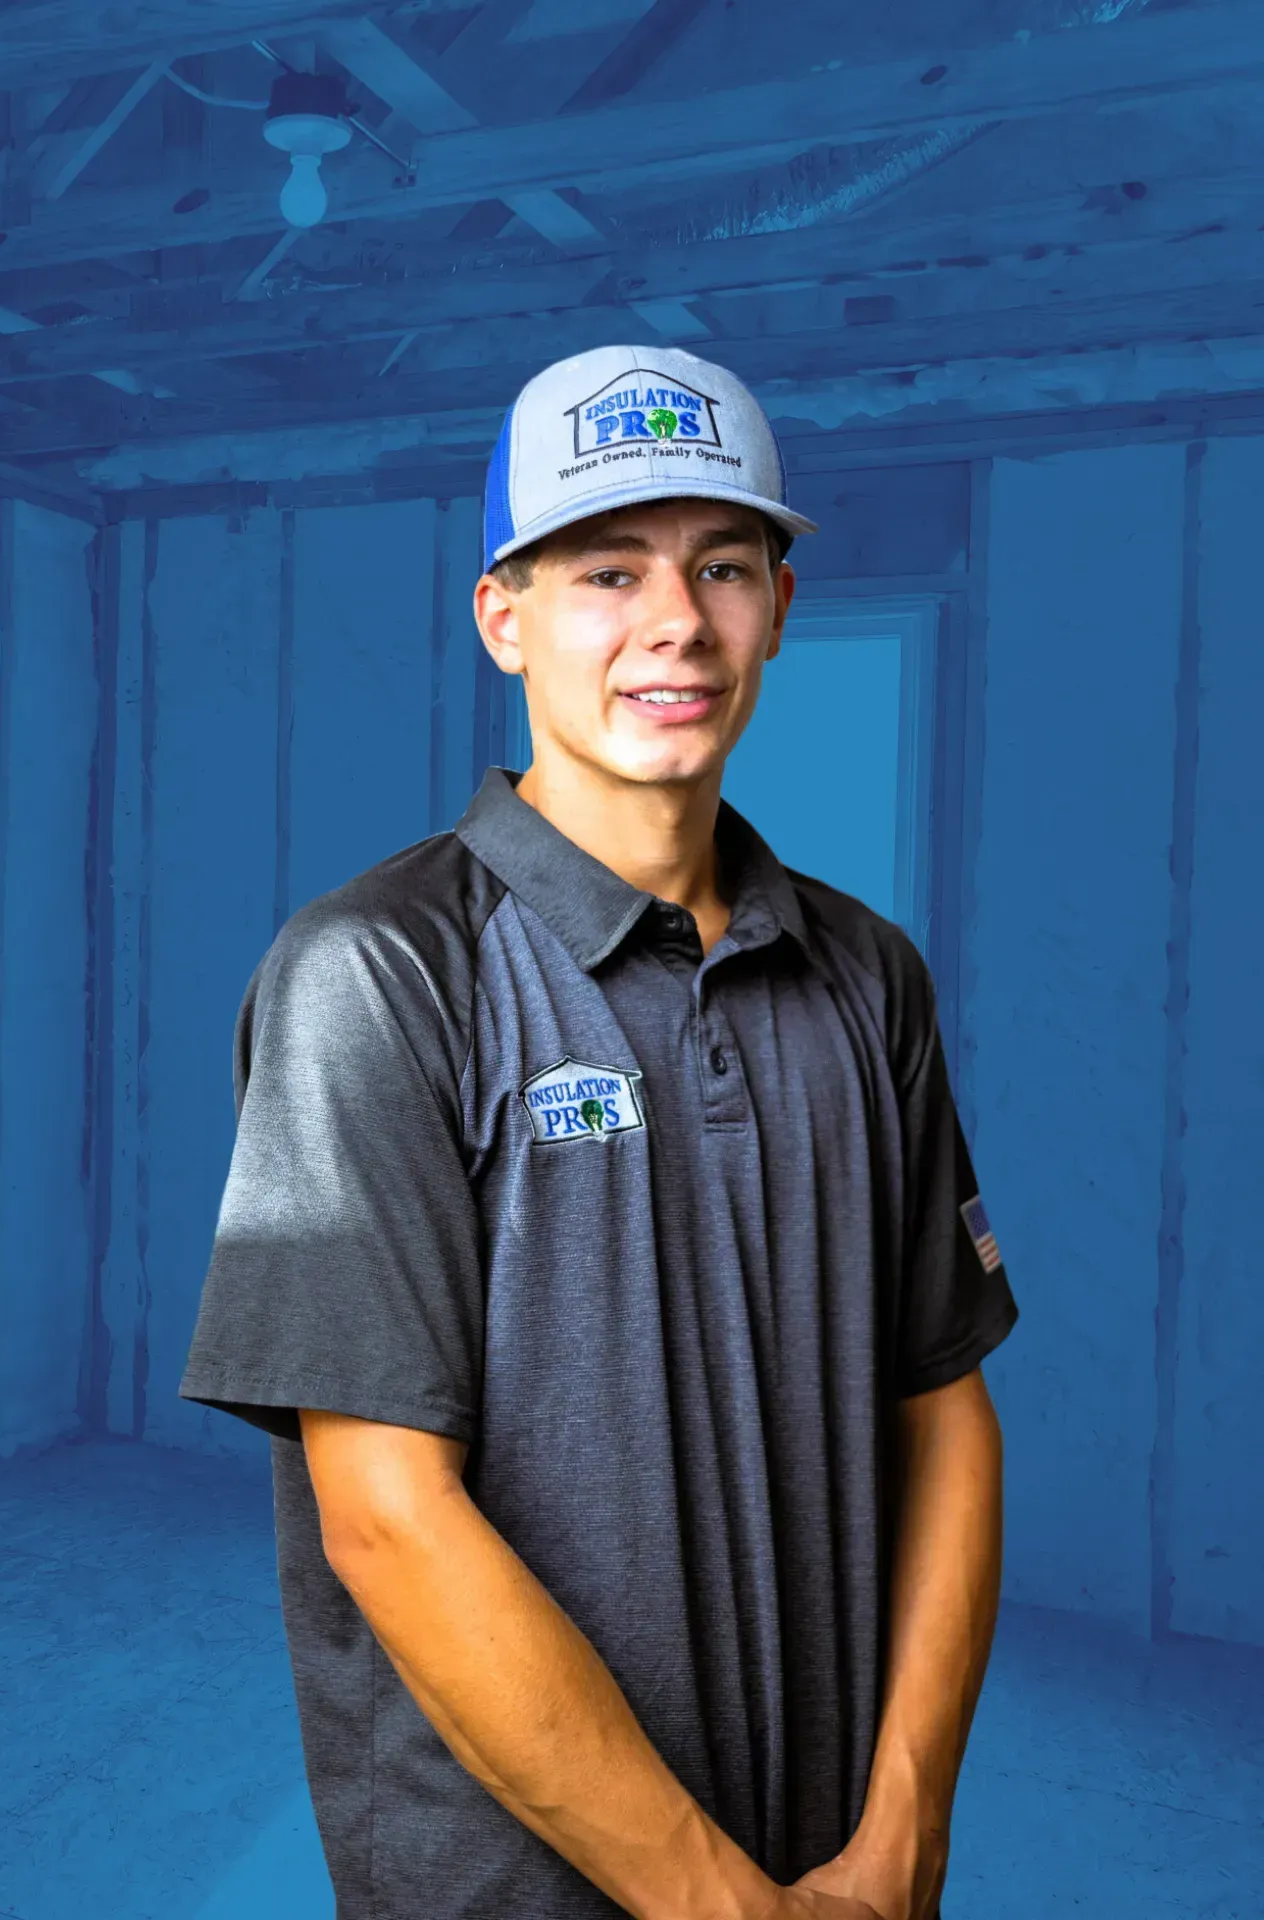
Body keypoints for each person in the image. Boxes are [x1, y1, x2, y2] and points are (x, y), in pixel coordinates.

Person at [179, 343, 1019, 1920]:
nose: (676, 622)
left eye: (724, 566)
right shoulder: (377, 973)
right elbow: (387, 1518)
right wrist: (719, 1904)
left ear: (780, 607)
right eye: (607, 572)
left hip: (834, 1865)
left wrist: (904, 1838)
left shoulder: (868, 975)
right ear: (503, 617)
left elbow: (945, 1409)